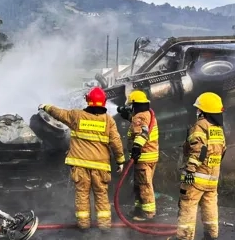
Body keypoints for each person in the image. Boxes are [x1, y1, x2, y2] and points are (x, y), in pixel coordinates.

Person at [39, 86, 126, 230]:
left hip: (80, 166)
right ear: (104, 102)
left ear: (87, 100)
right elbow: (116, 142)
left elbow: (59, 113)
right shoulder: (108, 121)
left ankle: (83, 224)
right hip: (100, 166)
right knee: (101, 194)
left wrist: (46, 107)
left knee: (82, 194)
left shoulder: (77, 116)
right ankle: (104, 225)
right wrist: (120, 161)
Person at [167, 92, 227, 240]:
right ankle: (210, 238)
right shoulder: (218, 129)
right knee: (210, 205)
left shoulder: (200, 126)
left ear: (204, 111)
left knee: (188, 203)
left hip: (196, 176)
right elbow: (223, 151)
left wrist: (189, 172)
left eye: (199, 109)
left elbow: (199, 151)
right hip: (212, 177)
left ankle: (183, 239)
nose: (197, 112)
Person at [118, 90, 160, 221]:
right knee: (140, 184)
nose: (129, 107)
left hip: (143, 157)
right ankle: (139, 208)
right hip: (150, 156)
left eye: (130, 105)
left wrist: (136, 148)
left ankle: (147, 213)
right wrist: (129, 118)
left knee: (144, 185)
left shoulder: (139, 117)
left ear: (134, 104)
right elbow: (144, 126)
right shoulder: (147, 114)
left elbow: (142, 134)